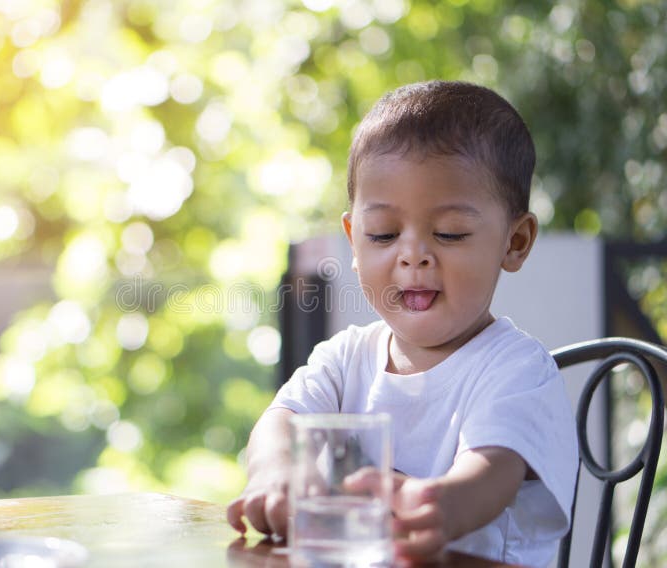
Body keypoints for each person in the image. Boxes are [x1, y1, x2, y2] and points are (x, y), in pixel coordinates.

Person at [226, 80, 579, 567]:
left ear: (514, 242)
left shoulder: (516, 369)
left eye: (449, 233)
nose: (413, 255)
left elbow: (492, 469)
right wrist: (274, 473)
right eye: (384, 234)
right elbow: (280, 420)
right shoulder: (346, 358)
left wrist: (442, 505)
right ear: (354, 241)